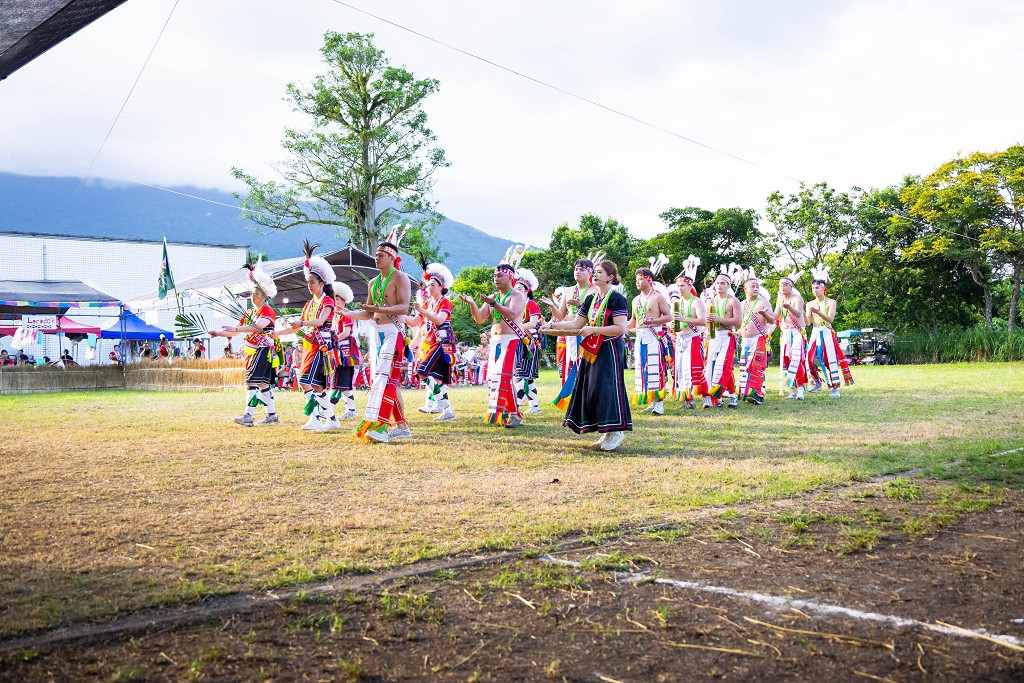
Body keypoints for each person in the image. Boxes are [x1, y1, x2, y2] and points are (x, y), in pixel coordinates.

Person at [542, 260, 631, 451]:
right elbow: (575, 324)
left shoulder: (617, 299)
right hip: (591, 349)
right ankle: (606, 430)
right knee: (593, 388)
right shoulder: (591, 300)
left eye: (600, 272)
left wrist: (594, 329)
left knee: (608, 388)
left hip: (609, 349)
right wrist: (552, 326)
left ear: (611, 277)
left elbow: (621, 328)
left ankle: (616, 431)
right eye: (595, 272)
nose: (596, 274)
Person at [348, 226, 413, 443]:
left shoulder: (400, 277)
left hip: (394, 332)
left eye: (380, 255)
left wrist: (381, 310)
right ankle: (402, 425)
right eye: (376, 255)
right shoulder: (372, 282)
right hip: (378, 333)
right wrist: (348, 312)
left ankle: (382, 427)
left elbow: (404, 308)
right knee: (381, 379)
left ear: (392, 258)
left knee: (386, 379)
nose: (376, 258)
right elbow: (368, 312)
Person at [459, 246, 528, 428]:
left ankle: (515, 415)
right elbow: (480, 318)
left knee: (504, 376)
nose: (496, 279)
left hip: (512, 340)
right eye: (495, 276)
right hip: (495, 342)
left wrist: (493, 303)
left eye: (500, 276)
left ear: (510, 277)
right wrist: (473, 303)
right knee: (493, 378)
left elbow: (512, 314)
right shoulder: (493, 297)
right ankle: (508, 413)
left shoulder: (517, 296)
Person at [276, 241, 341, 431]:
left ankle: (316, 419)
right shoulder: (309, 304)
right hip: (309, 346)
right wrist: (277, 333)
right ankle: (331, 420)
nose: (309, 286)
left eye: (312, 282)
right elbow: (297, 327)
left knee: (305, 381)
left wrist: (302, 323)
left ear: (322, 283)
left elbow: (320, 322)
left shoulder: (328, 301)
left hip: (321, 348)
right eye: (308, 283)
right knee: (316, 386)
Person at [209, 259, 280, 426]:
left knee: (252, 382)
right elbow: (237, 328)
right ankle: (272, 416)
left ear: (263, 295)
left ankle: (248, 415)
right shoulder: (250, 312)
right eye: (253, 291)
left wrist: (236, 330)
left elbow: (256, 327)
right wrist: (219, 333)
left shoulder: (267, 310)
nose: (253, 294)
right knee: (262, 384)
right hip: (253, 350)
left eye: (256, 292)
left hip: (263, 350)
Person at [541, 252, 602, 410]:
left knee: (588, 368)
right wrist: (552, 306)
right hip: (570, 335)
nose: (578, 271)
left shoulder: (595, 290)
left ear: (590, 272)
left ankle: (589, 402)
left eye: (582, 269)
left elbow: (597, 314)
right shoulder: (568, 291)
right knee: (569, 366)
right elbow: (561, 315)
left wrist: (582, 305)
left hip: (588, 334)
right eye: (576, 269)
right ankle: (572, 402)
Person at [406, 260, 457, 421]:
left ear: (442, 286)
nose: (430, 287)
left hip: (441, 344)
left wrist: (422, 310)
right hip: (429, 343)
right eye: (429, 284)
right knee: (436, 379)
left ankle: (440, 401)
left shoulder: (445, 302)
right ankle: (448, 411)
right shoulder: (428, 304)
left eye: (433, 284)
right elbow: (414, 322)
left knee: (421, 371)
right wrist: (398, 314)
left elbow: (440, 320)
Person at [628, 260, 672, 415]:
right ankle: (652, 401)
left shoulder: (658, 297)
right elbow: (633, 320)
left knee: (656, 369)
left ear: (649, 279)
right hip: (640, 337)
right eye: (636, 280)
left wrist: (654, 321)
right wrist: (621, 328)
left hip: (655, 336)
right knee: (643, 369)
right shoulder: (635, 300)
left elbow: (668, 316)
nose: (638, 282)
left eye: (640, 279)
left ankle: (659, 402)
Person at [805, 263, 854, 398]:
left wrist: (818, 312)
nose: (815, 290)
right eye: (813, 288)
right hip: (815, 332)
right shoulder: (809, 304)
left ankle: (834, 387)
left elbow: (830, 319)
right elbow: (808, 322)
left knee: (829, 360)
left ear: (823, 288)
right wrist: (807, 314)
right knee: (808, 359)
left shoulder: (831, 302)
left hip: (826, 331)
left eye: (817, 288)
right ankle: (816, 382)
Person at [669, 255, 708, 408]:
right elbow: (673, 322)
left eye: (683, 286)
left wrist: (684, 320)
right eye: (678, 286)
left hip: (693, 338)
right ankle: (688, 399)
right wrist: (672, 326)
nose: (680, 288)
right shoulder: (676, 303)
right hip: (680, 339)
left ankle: (706, 397)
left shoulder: (697, 302)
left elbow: (702, 321)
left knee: (695, 369)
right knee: (681, 369)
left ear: (690, 286)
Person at [704, 265, 744, 408]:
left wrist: (719, 319)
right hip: (714, 337)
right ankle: (716, 397)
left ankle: (732, 395)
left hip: (727, 336)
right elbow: (707, 321)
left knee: (724, 367)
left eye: (723, 283)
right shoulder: (711, 301)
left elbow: (738, 322)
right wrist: (707, 328)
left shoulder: (733, 301)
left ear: (728, 285)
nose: (719, 285)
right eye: (717, 283)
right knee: (712, 367)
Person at [737, 271, 776, 405]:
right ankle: (745, 392)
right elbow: (740, 322)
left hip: (759, 338)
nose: (755, 289)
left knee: (756, 366)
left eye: (757, 287)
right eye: (752, 286)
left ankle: (757, 394)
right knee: (744, 366)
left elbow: (772, 320)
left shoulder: (763, 302)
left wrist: (765, 315)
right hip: (745, 339)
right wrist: (737, 332)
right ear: (745, 289)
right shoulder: (741, 304)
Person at [328, 282, 361, 418]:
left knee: (339, 382)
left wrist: (333, 341)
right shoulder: (335, 315)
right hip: (339, 351)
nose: (335, 301)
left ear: (344, 300)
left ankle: (328, 410)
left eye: (337, 298)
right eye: (334, 298)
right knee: (342, 383)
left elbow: (346, 333)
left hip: (346, 353)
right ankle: (351, 410)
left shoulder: (346, 314)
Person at [513, 267, 544, 415]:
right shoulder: (515, 304)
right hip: (520, 341)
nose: (516, 290)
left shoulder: (531, 304)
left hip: (529, 344)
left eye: (519, 288)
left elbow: (533, 322)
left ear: (527, 290)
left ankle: (515, 406)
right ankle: (535, 406)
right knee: (527, 377)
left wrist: (517, 328)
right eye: (515, 288)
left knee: (521, 376)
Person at [774, 269, 809, 400]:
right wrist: (764, 314)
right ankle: (792, 389)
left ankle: (800, 388)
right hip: (786, 333)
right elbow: (775, 316)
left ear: (791, 286)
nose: (782, 287)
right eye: (780, 285)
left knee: (797, 360)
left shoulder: (797, 298)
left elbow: (799, 313)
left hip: (797, 332)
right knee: (787, 361)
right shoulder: (780, 300)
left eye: (785, 285)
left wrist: (788, 307)